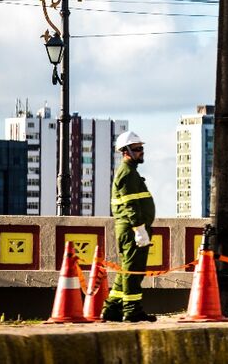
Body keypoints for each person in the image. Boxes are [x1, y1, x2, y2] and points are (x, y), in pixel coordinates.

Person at [101, 131, 156, 322]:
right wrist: (139, 230)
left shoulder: (131, 172)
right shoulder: (126, 173)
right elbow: (130, 205)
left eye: (141, 148)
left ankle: (112, 309)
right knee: (134, 271)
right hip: (132, 229)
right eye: (137, 149)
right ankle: (132, 310)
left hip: (131, 228)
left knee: (126, 269)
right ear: (126, 151)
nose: (141, 152)